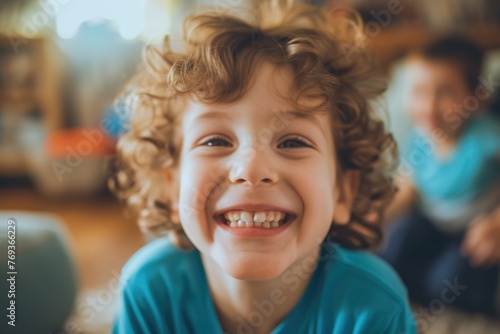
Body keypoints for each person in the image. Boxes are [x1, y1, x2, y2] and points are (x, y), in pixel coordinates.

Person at [109, 1, 416, 333]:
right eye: (215, 141)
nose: (251, 168)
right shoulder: (149, 292)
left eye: (293, 142)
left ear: (343, 192)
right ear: (172, 186)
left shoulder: (374, 307)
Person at [379, 36, 500, 316]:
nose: (429, 106)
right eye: (419, 92)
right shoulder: (421, 138)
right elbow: (407, 188)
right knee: (393, 249)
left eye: (445, 92)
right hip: (430, 224)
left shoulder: (486, 138)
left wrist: (496, 223)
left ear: (477, 99)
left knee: (447, 281)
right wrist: (374, 218)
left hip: (473, 234)